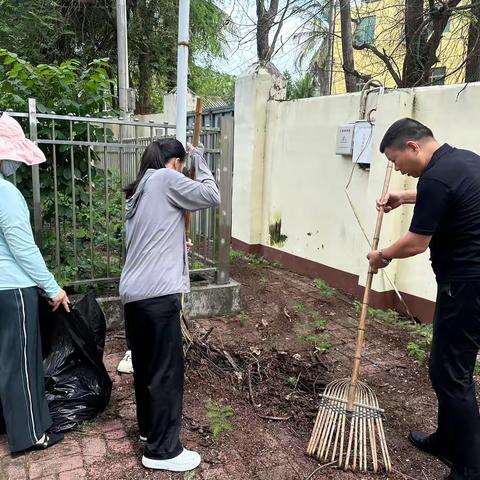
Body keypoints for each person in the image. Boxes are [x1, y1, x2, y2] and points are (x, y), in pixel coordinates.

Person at [367, 118, 480, 480]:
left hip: (466, 285)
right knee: (446, 367)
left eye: (397, 161)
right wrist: (405, 196)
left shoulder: (436, 177)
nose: (398, 169)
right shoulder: (465, 160)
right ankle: (448, 441)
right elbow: (446, 192)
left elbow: (416, 242)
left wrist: (381, 255)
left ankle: (470, 467)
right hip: (472, 283)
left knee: (452, 373)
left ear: (413, 147)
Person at [119, 138, 220, 472]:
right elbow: (210, 194)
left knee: (147, 371)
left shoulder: (140, 190)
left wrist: (178, 244)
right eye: (182, 164)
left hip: (134, 297)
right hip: (157, 297)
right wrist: (199, 158)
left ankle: (150, 433)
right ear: (175, 162)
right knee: (165, 373)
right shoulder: (165, 178)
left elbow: (150, 239)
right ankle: (163, 451)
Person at [0, 113, 70, 453]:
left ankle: (14, 423)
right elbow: (23, 250)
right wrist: (52, 286)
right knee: (22, 361)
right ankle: (31, 435)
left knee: (5, 359)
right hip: (12, 290)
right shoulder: (6, 193)